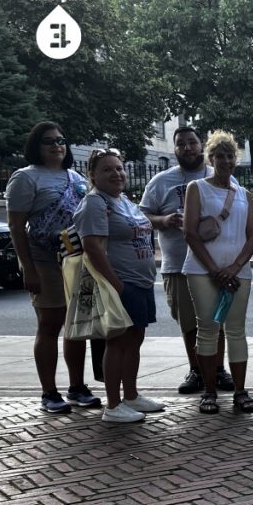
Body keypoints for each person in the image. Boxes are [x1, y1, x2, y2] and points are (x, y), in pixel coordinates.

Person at [5, 121, 99, 414]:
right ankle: (49, 392)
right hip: (44, 261)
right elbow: (16, 227)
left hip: (77, 261)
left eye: (61, 139)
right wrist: (27, 267)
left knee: (77, 325)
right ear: (37, 146)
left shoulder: (76, 177)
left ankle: (77, 387)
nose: (57, 145)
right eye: (49, 141)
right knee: (50, 324)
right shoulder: (25, 178)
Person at [140, 125, 234, 395]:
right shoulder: (161, 181)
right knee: (189, 323)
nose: (187, 148)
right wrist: (164, 220)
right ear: (175, 149)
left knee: (217, 320)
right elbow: (142, 216)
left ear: (202, 145)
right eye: (181, 144)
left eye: (192, 143)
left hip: (216, 265)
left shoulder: (220, 177)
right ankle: (196, 370)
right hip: (178, 264)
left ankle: (218, 370)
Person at [73, 150, 163, 423]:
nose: (117, 174)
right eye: (107, 169)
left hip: (141, 281)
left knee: (134, 340)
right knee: (117, 342)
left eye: (120, 168)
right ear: (93, 175)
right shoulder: (95, 203)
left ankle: (131, 395)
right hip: (123, 283)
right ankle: (113, 405)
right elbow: (93, 249)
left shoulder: (122, 200)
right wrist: (117, 285)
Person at [182, 131, 253, 414]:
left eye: (230, 155)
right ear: (210, 158)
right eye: (220, 155)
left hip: (238, 273)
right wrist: (215, 270)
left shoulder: (244, 194)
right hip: (202, 271)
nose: (225, 160)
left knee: (236, 330)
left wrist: (235, 267)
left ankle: (240, 391)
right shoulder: (197, 188)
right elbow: (190, 232)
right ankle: (209, 391)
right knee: (207, 330)